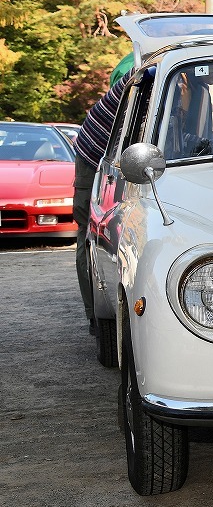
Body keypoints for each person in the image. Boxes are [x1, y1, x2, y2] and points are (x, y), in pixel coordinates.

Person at [74, 52, 134, 332]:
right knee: (89, 229)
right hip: (93, 152)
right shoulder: (140, 71)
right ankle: (96, 316)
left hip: (113, 151)